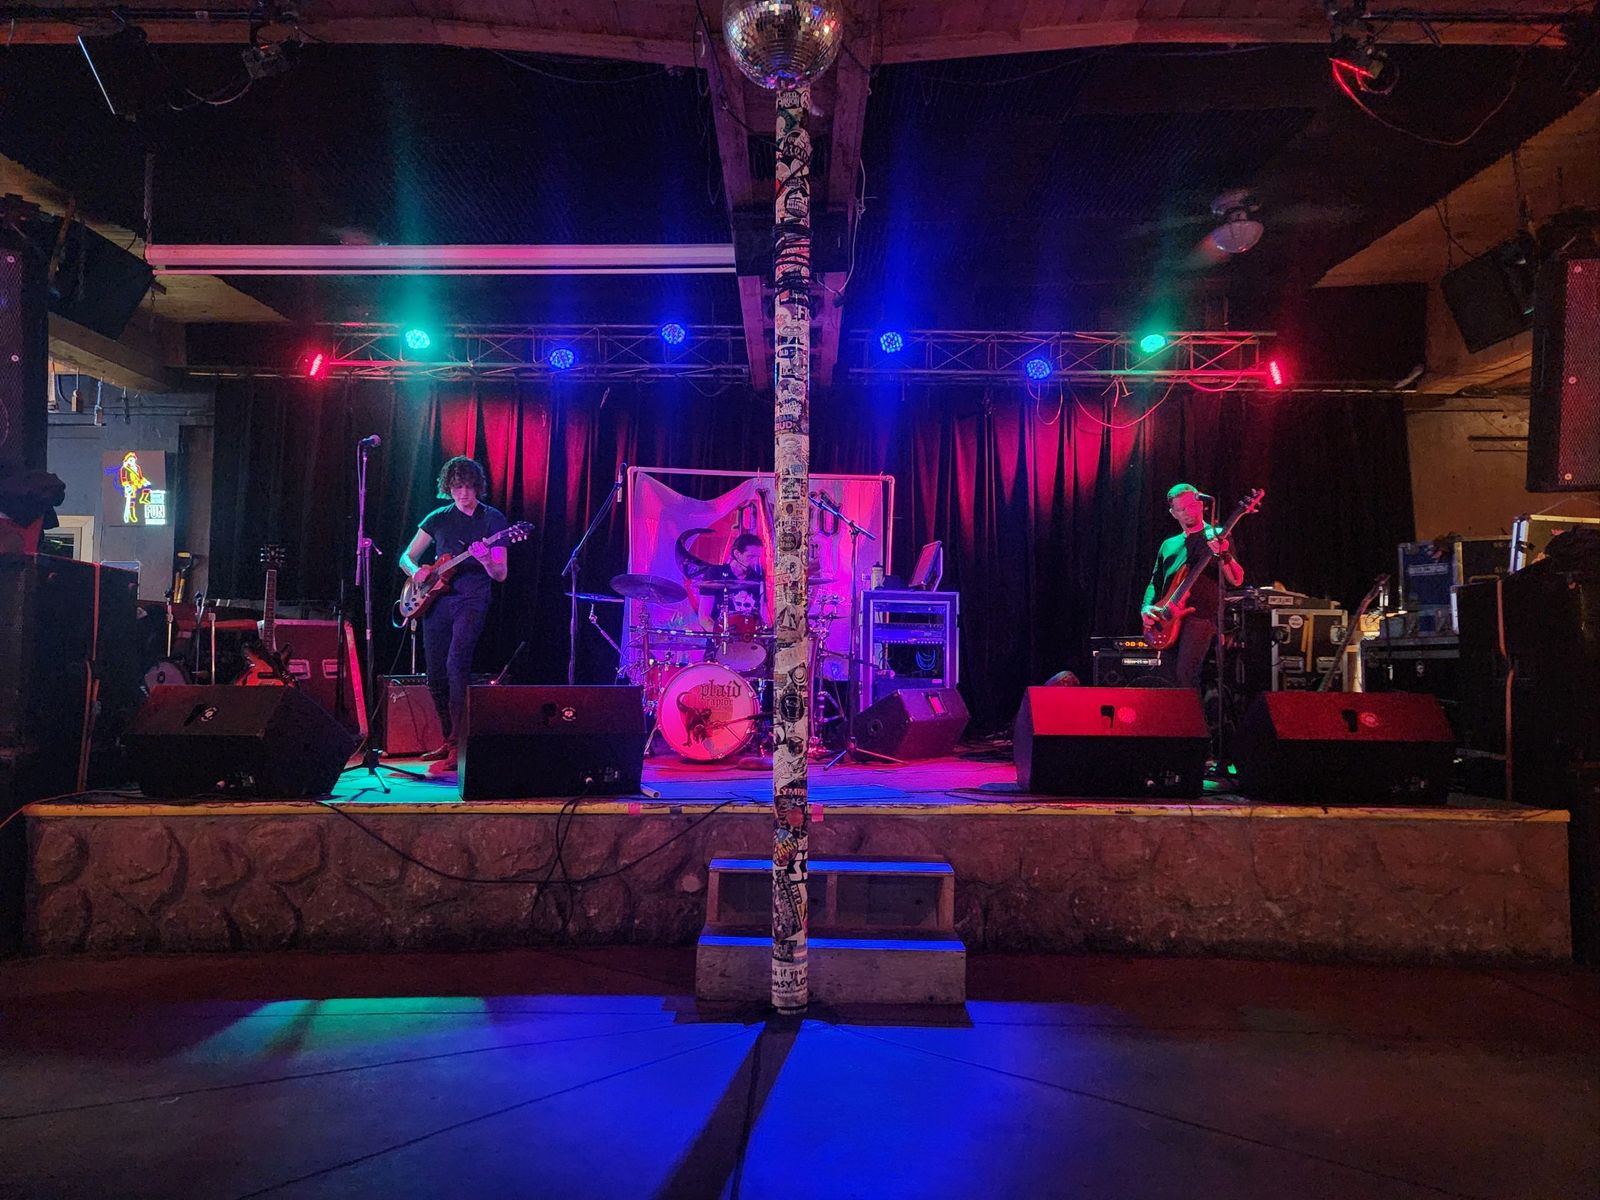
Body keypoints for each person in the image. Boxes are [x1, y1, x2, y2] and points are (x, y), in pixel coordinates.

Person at [398, 457, 508, 773]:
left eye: (469, 487)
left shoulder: (493, 520)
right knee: (435, 673)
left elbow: (500, 573)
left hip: (472, 599)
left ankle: (461, 745)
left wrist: (485, 560)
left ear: (477, 487)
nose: (463, 493)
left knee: (456, 663)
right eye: (457, 487)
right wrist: (416, 571)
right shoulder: (438, 518)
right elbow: (406, 556)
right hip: (436, 601)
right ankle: (448, 739)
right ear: (449, 488)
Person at [1141, 483, 1244, 689]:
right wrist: (1146, 607)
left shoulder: (1217, 535)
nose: (1188, 512)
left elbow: (1237, 579)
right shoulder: (1169, 545)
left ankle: (1194, 711)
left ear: (1201, 505)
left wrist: (1224, 554)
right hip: (1168, 616)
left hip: (1200, 616)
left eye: (1191, 506)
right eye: (1181, 509)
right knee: (1167, 677)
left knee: (1185, 675)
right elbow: (1155, 581)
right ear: (1173, 513)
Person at [698, 531, 765, 632]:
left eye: (757, 557)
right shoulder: (715, 573)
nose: (755, 561)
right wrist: (719, 634)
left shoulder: (756, 579)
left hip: (747, 638)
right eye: (750, 556)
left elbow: (760, 617)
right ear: (737, 554)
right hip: (720, 637)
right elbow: (704, 617)